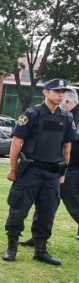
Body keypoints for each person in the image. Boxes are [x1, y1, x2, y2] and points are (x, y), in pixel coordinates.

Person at [2, 78, 76, 266]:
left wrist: (63, 173)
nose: (60, 94)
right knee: (18, 209)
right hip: (31, 170)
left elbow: (67, 147)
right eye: (56, 91)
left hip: (52, 172)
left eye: (63, 92)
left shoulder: (66, 118)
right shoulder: (32, 114)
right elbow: (17, 143)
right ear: (46, 92)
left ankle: (40, 250)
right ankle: (12, 248)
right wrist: (13, 169)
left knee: (47, 212)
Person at [58, 88, 79, 240]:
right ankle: (39, 237)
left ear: (67, 101)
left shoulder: (75, 116)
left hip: (73, 167)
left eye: (61, 101)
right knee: (48, 202)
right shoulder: (67, 115)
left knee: (72, 201)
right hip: (59, 164)